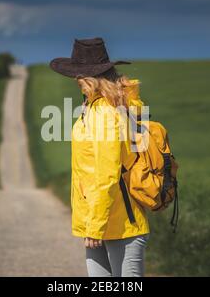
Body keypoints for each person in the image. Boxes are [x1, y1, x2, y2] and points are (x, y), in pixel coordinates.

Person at [50, 38, 149, 277]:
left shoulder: (105, 112)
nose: (75, 80)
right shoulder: (95, 107)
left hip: (118, 222)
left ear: (92, 78)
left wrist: (94, 226)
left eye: (79, 75)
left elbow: (107, 174)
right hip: (103, 217)